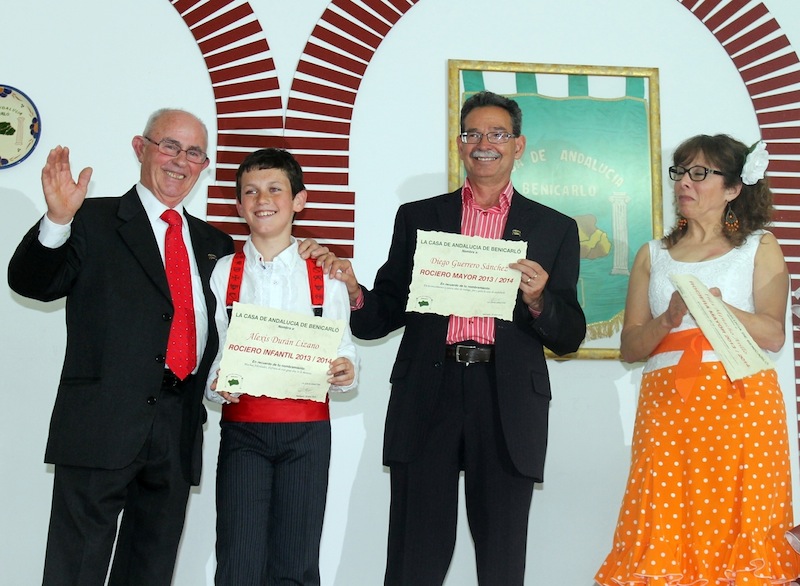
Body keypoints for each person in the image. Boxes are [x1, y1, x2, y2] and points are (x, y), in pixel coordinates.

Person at [321, 90, 586, 585]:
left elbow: (570, 334)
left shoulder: (554, 228)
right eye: (472, 133)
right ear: (460, 143)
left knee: (502, 560)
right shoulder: (419, 217)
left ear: (518, 145)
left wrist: (538, 300)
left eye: (497, 134)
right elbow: (381, 315)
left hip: (507, 398)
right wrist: (355, 291)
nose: (484, 143)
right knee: (414, 558)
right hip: (429, 391)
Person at [6, 108, 235, 586]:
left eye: (194, 152)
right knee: (76, 571)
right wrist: (57, 219)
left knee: (150, 571)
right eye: (169, 145)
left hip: (177, 430)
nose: (180, 161)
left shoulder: (216, 244)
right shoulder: (90, 218)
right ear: (140, 148)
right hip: (100, 425)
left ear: (204, 165)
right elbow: (33, 283)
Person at [595, 134, 800, 585]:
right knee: (665, 512)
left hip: (742, 402)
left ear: (733, 188)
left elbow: (773, 334)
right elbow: (631, 347)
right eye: (681, 172)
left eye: (700, 173)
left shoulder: (759, 246)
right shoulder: (653, 254)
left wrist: (717, 309)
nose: (684, 182)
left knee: (741, 513)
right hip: (668, 405)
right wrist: (669, 318)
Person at [204, 148, 358, 585]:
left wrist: (346, 369)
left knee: (296, 561)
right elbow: (216, 352)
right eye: (250, 192)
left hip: (307, 432)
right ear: (239, 206)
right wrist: (217, 383)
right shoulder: (223, 273)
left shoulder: (325, 273)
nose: (263, 200)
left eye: (275, 189)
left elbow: (344, 346)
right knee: (238, 559)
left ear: (299, 200)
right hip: (243, 430)